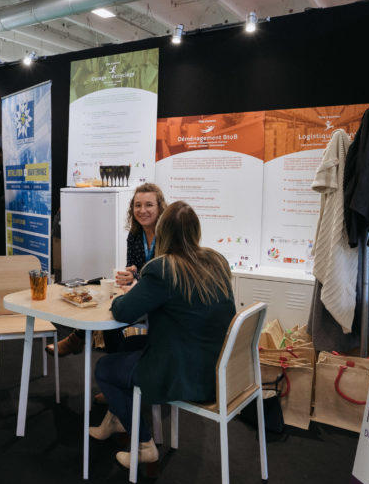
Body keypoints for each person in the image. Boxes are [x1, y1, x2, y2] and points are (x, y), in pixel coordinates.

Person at [89, 201, 236, 469]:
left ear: (162, 232)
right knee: (128, 345)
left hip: (183, 372)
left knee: (105, 368)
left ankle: (144, 445)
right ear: (196, 230)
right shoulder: (216, 261)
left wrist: (121, 296)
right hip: (217, 368)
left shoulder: (163, 269)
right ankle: (116, 418)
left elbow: (123, 311)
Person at [48, 183, 168, 357]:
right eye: (137, 205)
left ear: (160, 208)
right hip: (141, 291)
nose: (142, 210)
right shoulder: (134, 235)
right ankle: (114, 360)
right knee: (107, 305)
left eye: (149, 205)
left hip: (159, 298)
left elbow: (166, 274)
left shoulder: (167, 236)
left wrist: (137, 278)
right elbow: (134, 269)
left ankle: (78, 340)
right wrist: (131, 274)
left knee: (114, 311)